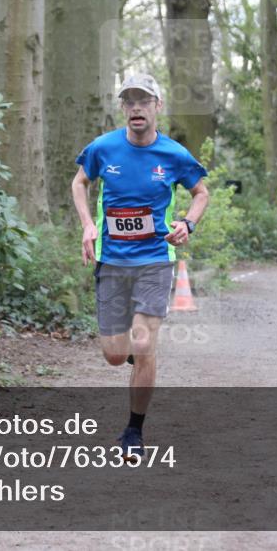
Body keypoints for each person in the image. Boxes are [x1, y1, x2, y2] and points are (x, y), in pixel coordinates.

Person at [71, 73, 210, 460]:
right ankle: (136, 357)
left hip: (155, 261)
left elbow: (201, 192)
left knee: (145, 342)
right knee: (115, 355)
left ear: (157, 106)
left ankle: (133, 431)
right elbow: (79, 182)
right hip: (112, 261)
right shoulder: (103, 148)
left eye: (143, 101)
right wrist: (87, 225)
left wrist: (188, 223)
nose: (136, 108)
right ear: (123, 109)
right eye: (129, 101)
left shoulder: (174, 154)